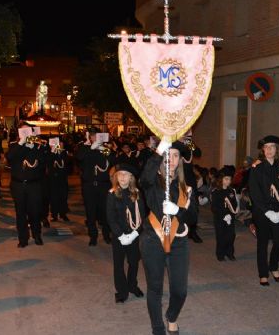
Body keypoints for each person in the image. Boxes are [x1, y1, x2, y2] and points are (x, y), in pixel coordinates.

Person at [140, 139, 194, 335]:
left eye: (175, 155)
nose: (170, 159)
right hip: (152, 240)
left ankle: (172, 316)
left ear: (180, 160)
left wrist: (178, 211)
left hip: (178, 242)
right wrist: (157, 152)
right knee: (155, 288)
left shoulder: (185, 188)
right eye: (167, 155)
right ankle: (158, 329)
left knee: (180, 290)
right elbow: (143, 178)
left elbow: (194, 215)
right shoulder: (152, 181)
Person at [248, 135, 279, 286]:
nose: (269, 150)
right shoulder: (257, 168)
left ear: (277, 149)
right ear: (262, 150)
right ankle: (263, 273)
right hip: (262, 211)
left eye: (272, 147)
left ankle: (274, 266)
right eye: (266, 147)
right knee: (263, 243)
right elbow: (254, 192)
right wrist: (267, 211)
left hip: (278, 211)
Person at [106, 163, 145, 303]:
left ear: (131, 178)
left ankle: (132, 286)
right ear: (116, 177)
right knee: (118, 264)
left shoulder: (137, 193)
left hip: (133, 234)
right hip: (119, 236)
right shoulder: (112, 194)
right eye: (120, 174)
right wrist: (121, 236)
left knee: (134, 262)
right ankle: (122, 291)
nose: (122, 177)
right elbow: (110, 218)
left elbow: (142, 216)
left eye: (126, 174)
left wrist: (134, 234)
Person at [6, 129, 49, 247]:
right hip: (18, 184)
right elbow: (10, 157)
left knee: (35, 212)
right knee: (20, 213)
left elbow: (43, 162)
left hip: (34, 184)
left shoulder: (38, 146)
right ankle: (23, 238)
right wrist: (22, 144)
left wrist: (33, 147)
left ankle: (37, 235)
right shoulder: (14, 145)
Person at [76, 128, 116, 246]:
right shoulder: (84, 148)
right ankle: (93, 236)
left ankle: (106, 234)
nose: (96, 138)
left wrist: (103, 148)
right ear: (90, 137)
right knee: (91, 212)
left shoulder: (106, 149)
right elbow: (79, 157)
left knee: (104, 211)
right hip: (89, 185)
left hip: (103, 185)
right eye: (93, 136)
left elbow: (113, 160)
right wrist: (91, 148)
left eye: (98, 136)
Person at [211, 166, 239, 261]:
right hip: (220, 219)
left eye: (230, 179)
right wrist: (224, 215)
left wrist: (231, 215)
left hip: (230, 218)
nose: (228, 181)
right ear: (221, 179)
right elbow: (215, 207)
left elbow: (234, 204)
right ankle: (220, 254)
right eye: (226, 179)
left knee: (231, 236)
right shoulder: (216, 192)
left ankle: (230, 253)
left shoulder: (231, 191)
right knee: (221, 237)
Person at [49, 139, 70, 222]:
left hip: (62, 179)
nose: (60, 146)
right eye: (59, 144)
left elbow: (67, 163)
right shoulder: (51, 153)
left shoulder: (64, 153)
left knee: (63, 197)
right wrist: (52, 151)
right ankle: (54, 215)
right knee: (54, 198)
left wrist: (62, 152)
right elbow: (48, 162)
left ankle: (63, 214)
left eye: (61, 144)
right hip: (53, 179)